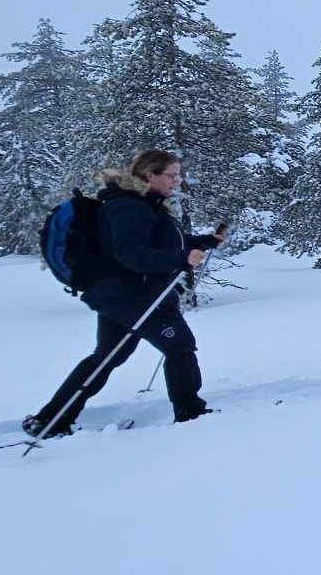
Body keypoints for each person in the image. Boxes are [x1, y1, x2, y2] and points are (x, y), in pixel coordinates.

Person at [25, 150, 221, 439]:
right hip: (134, 295)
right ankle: (191, 414)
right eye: (171, 175)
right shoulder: (128, 207)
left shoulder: (145, 205)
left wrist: (203, 242)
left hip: (123, 295)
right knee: (179, 345)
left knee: (108, 356)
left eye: (178, 174)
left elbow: (161, 242)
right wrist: (181, 259)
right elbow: (132, 255)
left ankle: (50, 419)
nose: (176, 181)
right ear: (149, 175)